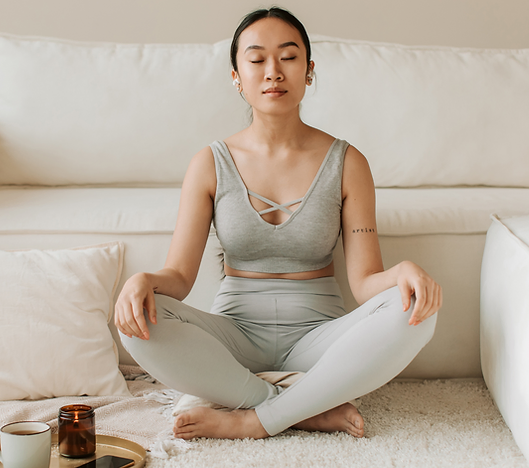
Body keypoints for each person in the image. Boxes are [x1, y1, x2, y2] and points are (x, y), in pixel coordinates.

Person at [114, 7, 441, 440]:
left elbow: (364, 283)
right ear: (237, 76)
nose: (273, 72)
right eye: (257, 59)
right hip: (234, 340)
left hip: (319, 342)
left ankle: (253, 418)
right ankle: (300, 409)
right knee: (136, 323)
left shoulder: (347, 162)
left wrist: (401, 274)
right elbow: (178, 276)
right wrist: (144, 280)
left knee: (418, 312)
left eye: (288, 57)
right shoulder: (209, 164)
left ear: (308, 71)